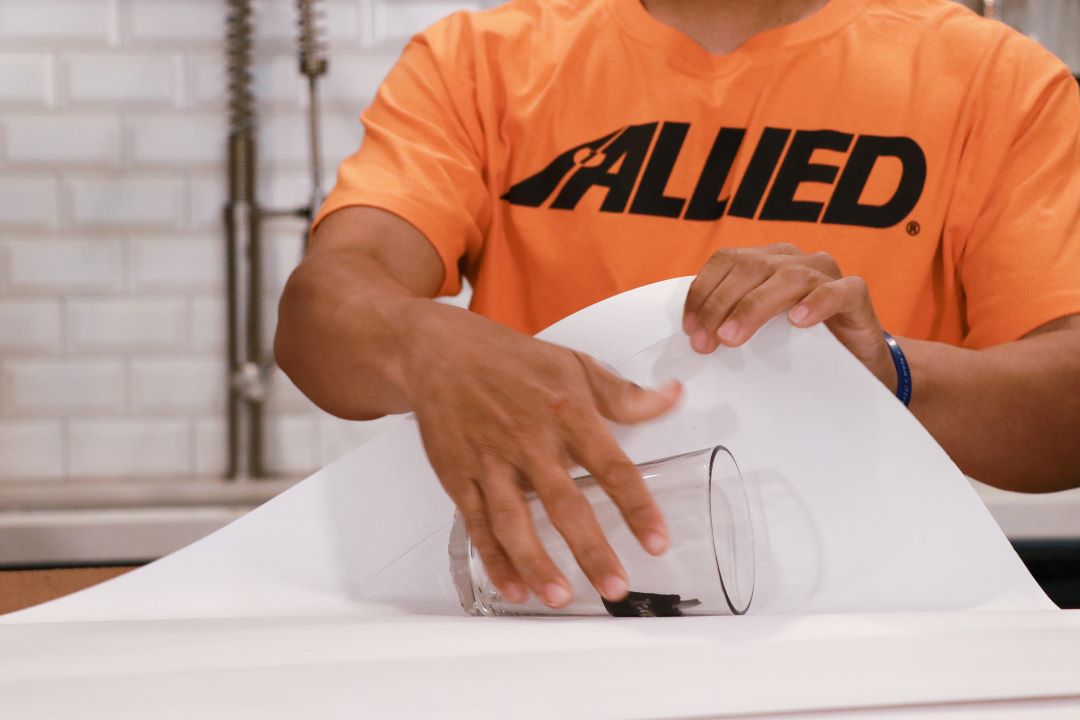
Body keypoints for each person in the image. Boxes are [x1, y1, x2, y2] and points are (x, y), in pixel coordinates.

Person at [275, 0, 1080, 611]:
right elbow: (321, 313)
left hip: (864, 621)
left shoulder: (993, 79)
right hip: (556, 619)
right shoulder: (481, 63)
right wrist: (422, 339)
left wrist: (891, 372)